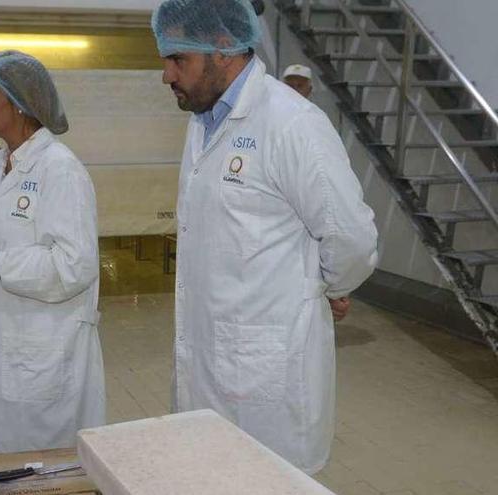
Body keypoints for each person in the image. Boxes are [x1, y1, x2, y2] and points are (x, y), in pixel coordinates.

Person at [151, 0, 378, 474]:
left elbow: (351, 238)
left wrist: (327, 286)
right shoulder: (203, 122)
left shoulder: (291, 123)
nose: (167, 75)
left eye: (179, 60)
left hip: (265, 385)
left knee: (266, 477)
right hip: (209, 368)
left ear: (223, 48)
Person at [0, 50, 106, 457]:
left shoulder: (60, 170)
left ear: (20, 103)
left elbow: (74, 265)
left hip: (46, 364)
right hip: (4, 354)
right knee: (2, 465)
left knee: (44, 471)